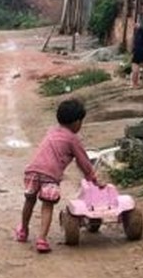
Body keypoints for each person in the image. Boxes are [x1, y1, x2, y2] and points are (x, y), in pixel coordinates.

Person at [16, 99, 100, 254]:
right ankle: (42, 239)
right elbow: (83, 161)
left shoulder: (52, 131)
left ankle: (23, 230)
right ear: (77, 122)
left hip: (32, 171)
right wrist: (92, 178)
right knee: (47, 206)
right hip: (50, 176)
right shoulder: (72, 139)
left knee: (29, 201)